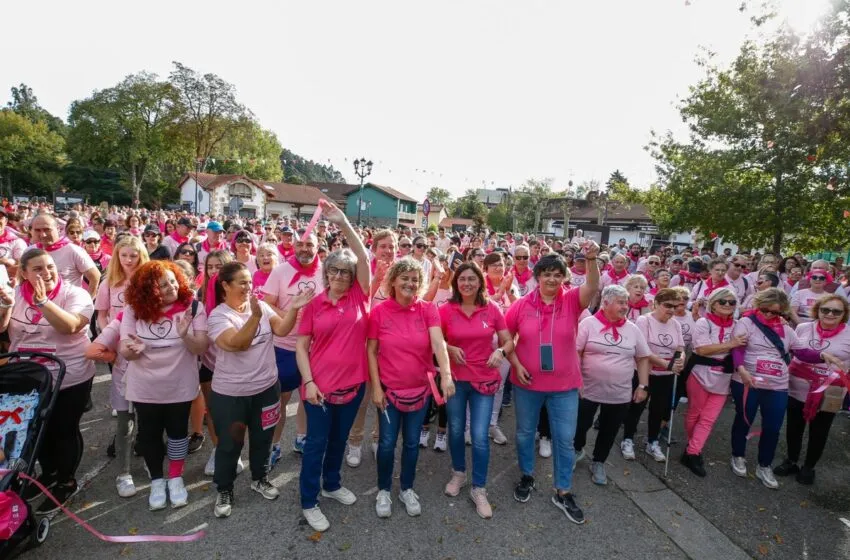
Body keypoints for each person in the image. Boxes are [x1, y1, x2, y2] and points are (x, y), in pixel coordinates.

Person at [207, 262, 313, 518]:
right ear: (225, 285)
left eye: (250, 282)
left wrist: (294, 309)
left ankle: (259, 478)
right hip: (231, 393)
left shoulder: (262, 306)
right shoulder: (218, 316)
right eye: (242, 282)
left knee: (263, 439)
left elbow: (282, 329)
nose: (248, 287)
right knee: (230, 444)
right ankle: (224, 488)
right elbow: (237, 344)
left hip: (266, 388)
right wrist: (254, 317)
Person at [505, 244, 599, 525]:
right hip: (527, 384)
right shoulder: (521, 305)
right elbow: (505, 339)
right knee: (524, 433)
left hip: (564, 386)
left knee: (564, 439)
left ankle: (563, 490)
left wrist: (591, 258)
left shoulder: (571, 301)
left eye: (558, 274)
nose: (552, 280)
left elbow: (593, 286)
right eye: (546, 274)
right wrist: (517, 365)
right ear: (537, 276)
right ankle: (527, 476)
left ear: (564, 277)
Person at [295, 200, 371, 532]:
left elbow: (365, 257)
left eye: (346, 272)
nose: (340, 276)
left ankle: (332, 483)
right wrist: (309, 382)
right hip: (318, 389)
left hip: (352, 386)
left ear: (353, 278)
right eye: (334, 270)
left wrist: (342, 221)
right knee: (316, 444)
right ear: (326, 273)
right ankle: (309, 500)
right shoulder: (314, 304)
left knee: (339, 440)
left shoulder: (359, 297)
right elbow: (301, 345)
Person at [3, 249, 95, 513]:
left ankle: (66, 479)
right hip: (27, 375)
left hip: (69, 374)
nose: (47, 273)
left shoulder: (74, 293)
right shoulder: (16, 292)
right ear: (24, 273)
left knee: (62, 429)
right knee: (35, 429)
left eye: (50, 267)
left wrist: (44, 303)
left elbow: (71, 326)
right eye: (38, 269)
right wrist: (5, 306)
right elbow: (2, 329)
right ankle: (49, 473)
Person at [368, 258, 455, 519]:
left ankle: (406, 488)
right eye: (404, 278)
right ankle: (383, 489)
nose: (410, 283)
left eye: (415, 279)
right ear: (393, 281)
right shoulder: (380, 312)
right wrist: (375, 388)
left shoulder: (428, 309)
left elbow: (439, 344)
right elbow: (371, 351)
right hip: (389, 390)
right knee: (385, 444)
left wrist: (447, 375)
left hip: (420, 390)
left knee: (411, 445)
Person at [119, 261, 209, 510]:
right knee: (149, 434)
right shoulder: (134, 309)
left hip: (180, 384)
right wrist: (133, 351)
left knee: (178, 432)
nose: (171, 287)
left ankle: (175, 477)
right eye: (162, 285)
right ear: (148, 290)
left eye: (172, 281)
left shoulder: (192, 306)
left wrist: (184, 335)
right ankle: (157, 481)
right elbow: (124, 350)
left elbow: (200, 347)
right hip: (145, 385)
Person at [440, 262, 513, 519]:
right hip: (456, 381)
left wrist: (500, 351)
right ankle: (459, 473)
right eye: (462, 279)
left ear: (480, 282)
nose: (467, 284)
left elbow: (509, 340)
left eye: (472, 279)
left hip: (484, 381)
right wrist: (449, 348)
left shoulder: (491, 308)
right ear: (456, 283)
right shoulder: (446, 310)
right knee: (457, 430)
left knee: (481, 435)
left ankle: (479, 488)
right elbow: (435, 340)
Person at [574, 285, 651, 485]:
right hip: (588, 389)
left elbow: (643, 357)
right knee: (580, 424)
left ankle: (599, 461)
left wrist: (643, 386)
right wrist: (577, 380)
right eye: (620, 302)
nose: (625, 306)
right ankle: (577, 449)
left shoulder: (632, 329)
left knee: (609, 429)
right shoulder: (588, 324)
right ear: (606, 303)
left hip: (620, 393)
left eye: (626, 302)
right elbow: (576, 353)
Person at [729, 288, 804, 489]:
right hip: (748, 381)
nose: (770, 315)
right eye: (766, 310)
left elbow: (802, 351)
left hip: (777, 386)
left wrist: (824, 356)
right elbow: (737, 348)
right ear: (758, 305)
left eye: (777, 312)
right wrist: (742, 369)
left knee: (772, 426)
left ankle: (765, 465)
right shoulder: (746, 323)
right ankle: (737, 454)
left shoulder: (787, 330)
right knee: (744, 418)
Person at [774, 295, 850, 485]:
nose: (830, 314)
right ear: (818, 310)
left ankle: (809, 467)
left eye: (836, 311)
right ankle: (791, 460)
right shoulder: (802, 327)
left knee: (820, 430)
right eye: (825, 309)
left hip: (829, 391)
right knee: (794, 427)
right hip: (797, 386)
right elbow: (792, 349)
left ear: (844, 314)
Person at [262, 228, 322, 463]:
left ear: (318, 247)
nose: (305, 249)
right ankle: (274, 445)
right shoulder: (280, 271)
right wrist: (290, 315)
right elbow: (267, 305)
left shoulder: (326, 272)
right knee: (281, 399)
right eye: (300, 244)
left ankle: (301, 437)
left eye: (310, 244)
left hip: (315, 347)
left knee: (308, 397)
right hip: (285, 346)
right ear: (293, 247)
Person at [680, 288, 746, 476]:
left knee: (709, 419)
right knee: (694, 414)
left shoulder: (739, 324)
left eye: (732, 302)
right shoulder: (703, 322)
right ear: (713, 304)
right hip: (700, 373)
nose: (727, 305)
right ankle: (694, 447)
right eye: (722, 302)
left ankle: (692, 452)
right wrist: (730, 345)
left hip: (724, 377)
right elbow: (701, 349)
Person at [621, 289, 685, 462]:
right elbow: (643, 349)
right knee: (637, 406)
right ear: (656, 304)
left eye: (675, 306)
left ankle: (652, 441)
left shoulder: (676, 324)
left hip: (666, 375)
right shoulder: (644, 320)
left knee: (658, 409)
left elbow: (680, 348)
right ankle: (627, 439)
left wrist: (679, 361)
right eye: (667, 305)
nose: (671, 310)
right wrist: (665, 363)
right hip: (645, 371)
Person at [194, 250, 234, 467]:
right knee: (213, 409)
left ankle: (232, 450)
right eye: (210, 267)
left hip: (233, 364)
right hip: (209, 362)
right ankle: (218, 449)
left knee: (233, 412)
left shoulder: (239, 295)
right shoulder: (200, 296)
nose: (214, 271)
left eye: (219, 267)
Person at [30, 214, 100, 298]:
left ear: (58, 229)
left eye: (47, 230)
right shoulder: (29, 251)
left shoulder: (73, 250)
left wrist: (86, 304)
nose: (43, 234)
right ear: (31, 231)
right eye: (37, 230)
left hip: (66, 308)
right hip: (36, 307)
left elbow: (95, 277)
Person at [95, 236, 148, 332]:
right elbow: (101, 316)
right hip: (116, 336)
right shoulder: (107, 283)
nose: (128, 260)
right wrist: (108, 336)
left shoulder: (149, 281)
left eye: (133, 256)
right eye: (124, 255)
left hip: (143, 337)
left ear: (141, 256)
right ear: (117, 256)